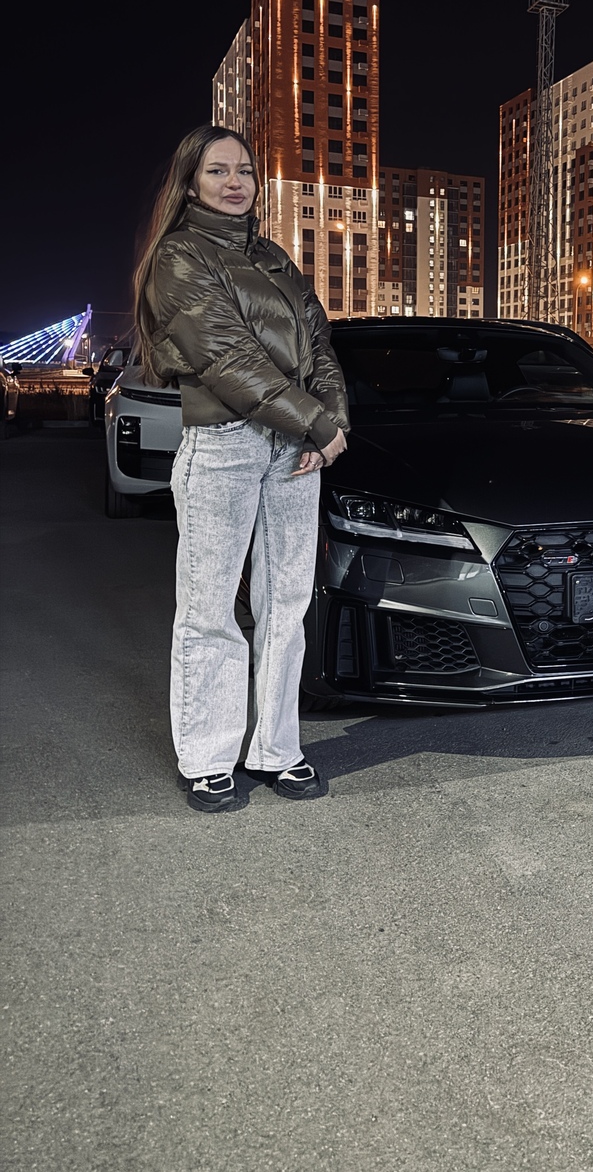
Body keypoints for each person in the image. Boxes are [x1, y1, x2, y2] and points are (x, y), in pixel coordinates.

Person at [133, 126, 349, 811]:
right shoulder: (179, 256)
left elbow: (319, 343)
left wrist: (334, 421)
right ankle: (208, 757)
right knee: (209, 608)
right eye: (218, 171)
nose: (235, 183)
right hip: (225, 444)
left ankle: (277, 749)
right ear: (190, 182)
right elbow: (227, 358)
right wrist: (316, 423)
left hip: (295, 448)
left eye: (245, 171)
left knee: (286, 604)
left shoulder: (273, 256)